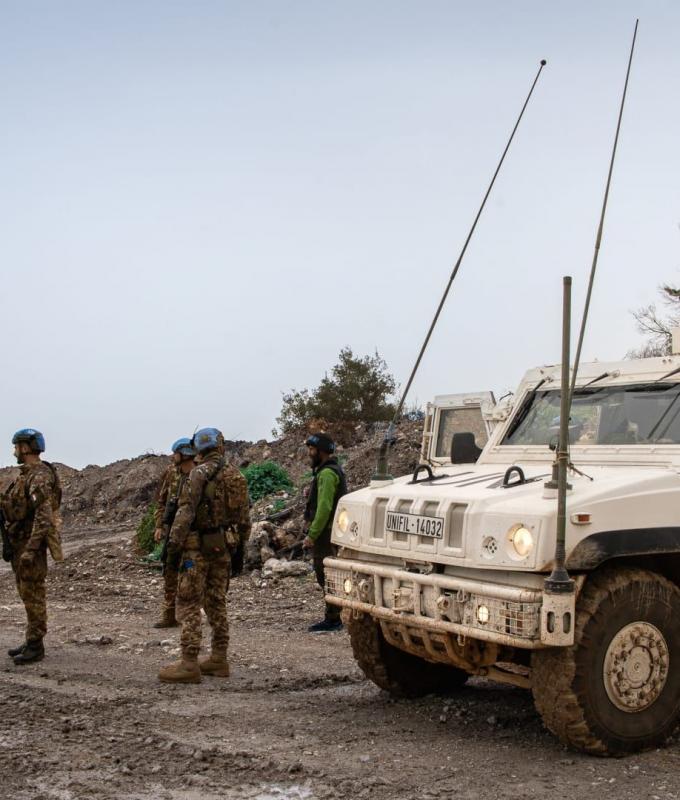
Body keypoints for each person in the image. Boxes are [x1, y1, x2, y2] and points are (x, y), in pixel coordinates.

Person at [159, 427, 250, 684]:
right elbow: (244, 518)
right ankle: (219, 659)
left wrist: (173, 547)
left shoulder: (197, 474)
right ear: (220, 446)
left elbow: (185, 514)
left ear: (198, 448)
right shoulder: (236, 476)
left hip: (196, 549)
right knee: (216, 602)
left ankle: (189, 663)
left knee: (188, 603)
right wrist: (241, 547)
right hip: (223, 548)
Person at [0, 429, 62, 665]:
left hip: (29, 546)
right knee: (27, 594)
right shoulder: (26, 475)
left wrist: (31, 549)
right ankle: (31, 639)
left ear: (25, 448)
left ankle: (36, 645)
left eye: (16, 447)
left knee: (34, 594)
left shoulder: (39, 476)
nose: (14, 451)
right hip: (20, 543)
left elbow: (43, 517)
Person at [302, 432, 347, 633]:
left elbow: (325, 507)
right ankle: (334, 614)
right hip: (327, 532)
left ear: (320, 451)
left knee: (326, 575)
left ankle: (333, 618)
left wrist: (312, 535)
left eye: (312, 450)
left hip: (326, 535)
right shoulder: (324, 472)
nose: (309, 454)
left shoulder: (328, 474)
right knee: (326, 575)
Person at [152, 437, 196, 628]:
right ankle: (169, 614)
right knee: (169, 570)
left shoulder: (199, 473)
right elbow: (161, 501)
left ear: (184, 454)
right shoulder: (172, 474)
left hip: (193, 533)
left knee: (191, 571)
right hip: (172, 531)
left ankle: (193, 614)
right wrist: (159, 525)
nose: (172, 457)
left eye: (175, 453)